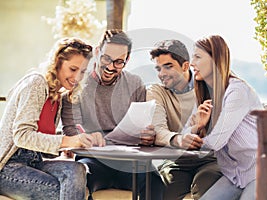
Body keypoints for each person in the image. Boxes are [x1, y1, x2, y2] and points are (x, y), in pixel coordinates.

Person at [61, 29, 164, 200]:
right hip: (93, 160)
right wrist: (85, 138)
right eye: (106, 58)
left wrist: (148, 137)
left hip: (128, 161)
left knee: (154, 180)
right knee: (79, 179)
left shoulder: (135, 83)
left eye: (118, 62)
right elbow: (71, 132)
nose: (110, 67)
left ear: (127, 60)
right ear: (96, 52)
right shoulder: (77, 84)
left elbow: (142, 125)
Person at [188, 35, 267, 200]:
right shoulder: (206, 94)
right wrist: (197, 127)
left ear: (215, 59)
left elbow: (216, 141)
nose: (192, 63)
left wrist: (193, 137)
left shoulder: (237, 91)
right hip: (238, 175)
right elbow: (188, 130)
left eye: (198, 57)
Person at [0, 38, 102, 200]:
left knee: (78, 169)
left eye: (82, 72)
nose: (77, 78)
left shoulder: (57, 96)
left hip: (33, 163)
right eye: (73, 69)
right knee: (67, 192)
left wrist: (72, 143)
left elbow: (43, 148)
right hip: (7, 168)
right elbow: (22, 136)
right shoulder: (36, 83)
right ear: (57, 63)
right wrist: (66, 141)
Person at [146, 39, 222, 200]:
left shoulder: (209, 86)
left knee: (206, 186)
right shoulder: (156, 92)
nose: (161, 74)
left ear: (185, 66)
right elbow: (157, 130)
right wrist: (178, 139)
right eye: (158, 68)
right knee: (162, 191)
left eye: (168, 66)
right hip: (175, 162)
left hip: (210, 159)